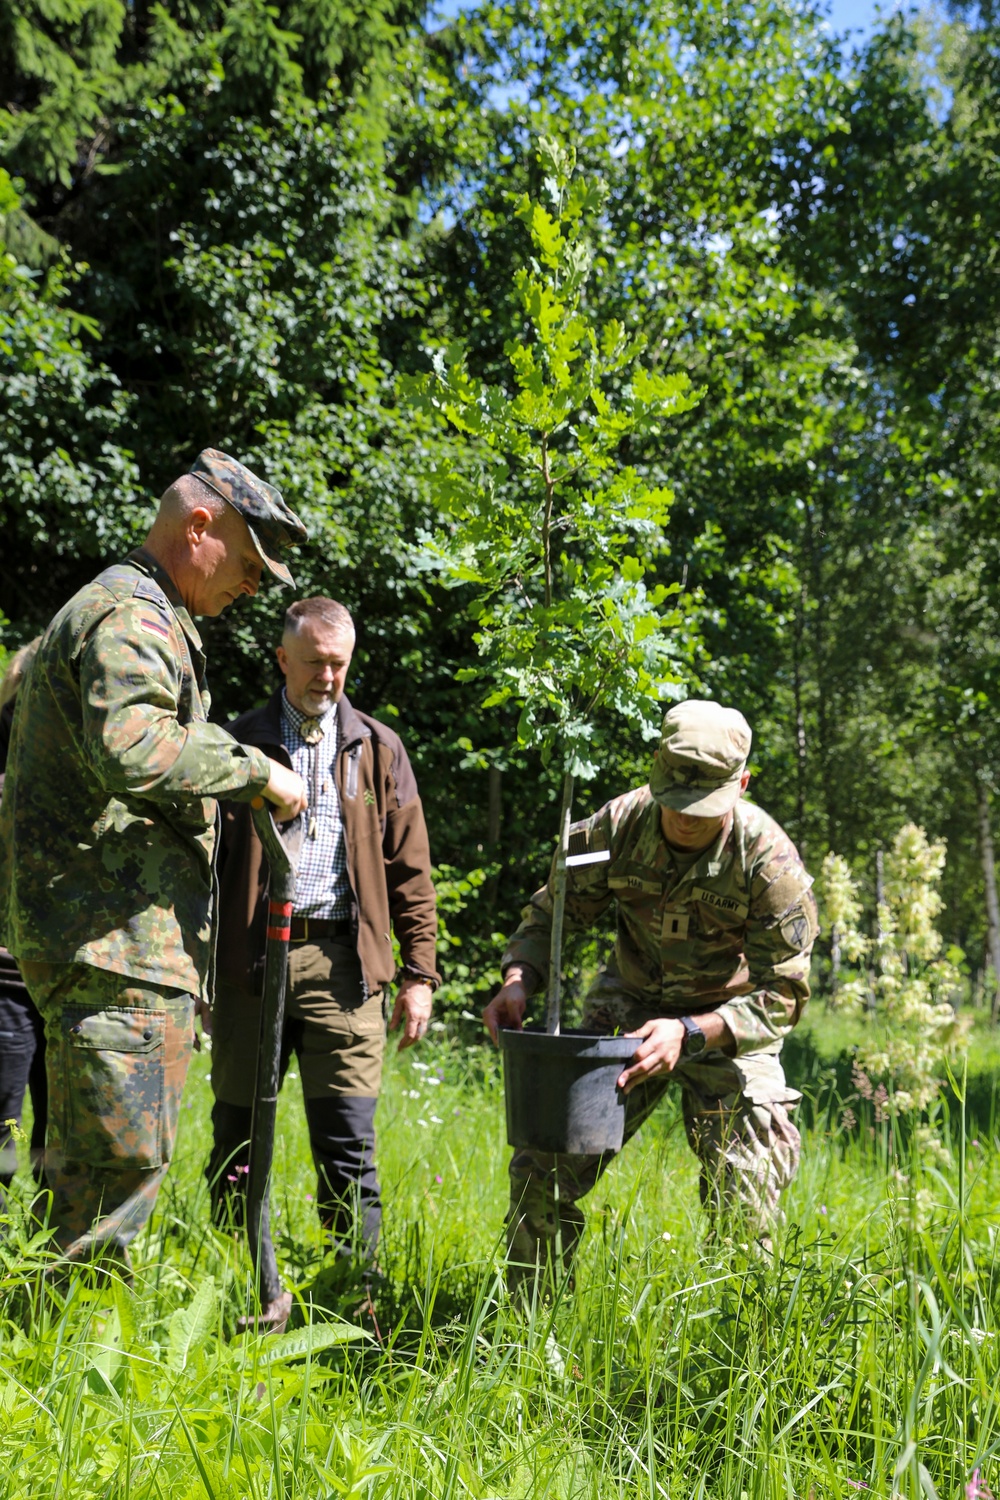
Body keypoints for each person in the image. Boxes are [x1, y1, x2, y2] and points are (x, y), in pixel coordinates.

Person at [0, 449, 310, 1262]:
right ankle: (85, 1364)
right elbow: (133, 747)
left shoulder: (143, 612)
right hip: (114, 946)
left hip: (114, 944)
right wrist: (256, 771)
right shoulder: (133, 615)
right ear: (198, 525)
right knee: (110, 1196)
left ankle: (61, 1358)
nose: (253, 586)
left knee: (96, 1182)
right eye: (248, 564)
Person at [483, 699, 818, 1293]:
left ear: (741, 783)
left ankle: (738, 1355)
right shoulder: (614, 827)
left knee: (748, 1178)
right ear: (655, 765)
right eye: (675, 798)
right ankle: (527, 1332)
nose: (686, 817)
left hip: (726, 1027)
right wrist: (519, 979)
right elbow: (552, 912)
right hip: (627, 1014)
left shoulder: (770, 862)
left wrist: (690, 1031)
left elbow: (784, 995)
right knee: (544, 1164)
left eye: (705, 804)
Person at [205, 595, 439, 1263]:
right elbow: (203, 872)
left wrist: (419, 975)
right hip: (254, 966)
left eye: (338, 665)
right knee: (239, 1137)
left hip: (346, 969)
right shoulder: (238, 744)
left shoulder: (376, 748)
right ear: (283, 659)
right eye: (313, 664)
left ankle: (353, 1290)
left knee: (347, 1143)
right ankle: (235, 1275)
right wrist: (200, 972)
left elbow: (411, 874)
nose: (327, 679)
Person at [0, 640, 47, 1197]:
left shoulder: (88, 760)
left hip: (66, 979)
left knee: (60, 1138)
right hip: (7, 982)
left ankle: (43, 1266)